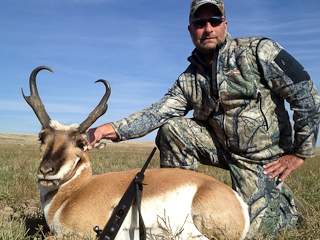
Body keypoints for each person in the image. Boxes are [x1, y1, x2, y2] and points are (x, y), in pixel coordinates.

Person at [86, 0, 320, 238]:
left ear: (225, 25)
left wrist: (299, 153)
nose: (207, 28)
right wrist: (106, 129)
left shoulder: (258, 51)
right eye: (200, 23)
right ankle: (177, 210)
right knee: (172, 129)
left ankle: (287, 206)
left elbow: (305, 94)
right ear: (190, 29)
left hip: (261, 160)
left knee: (247, 233)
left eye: (214, 21)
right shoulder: (188, 79)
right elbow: (157, 112)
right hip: (221, 148)